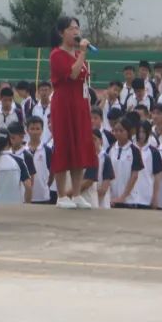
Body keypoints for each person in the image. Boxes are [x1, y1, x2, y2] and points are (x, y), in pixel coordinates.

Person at [48, 16, 97, 210]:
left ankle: (76, 193)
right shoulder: (56, 55)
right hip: (64, 105)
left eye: (77, 28)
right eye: (71, 28)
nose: (76, 32)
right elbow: (73, 74)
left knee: (80, 145)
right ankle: (62, 195)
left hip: (80, 105)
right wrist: (82, 54)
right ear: (61, 32)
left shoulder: (78, 54)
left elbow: (83, 78)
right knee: (64, 145)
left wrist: (80, 54)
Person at [0, 130, 31, 204]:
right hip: (15, 209)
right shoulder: (19, 161)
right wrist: (27, 204)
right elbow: (28, 186)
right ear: (10, 142)